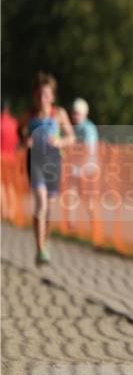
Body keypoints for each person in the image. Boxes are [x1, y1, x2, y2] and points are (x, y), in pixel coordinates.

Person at [21, 72, 75, 265]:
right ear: (35, 96)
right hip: (35, 162)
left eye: (46, 95)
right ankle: (40, 248)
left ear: (52, 96)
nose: (43, 98)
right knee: (41, 203)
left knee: (50, 208)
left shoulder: (59, 114)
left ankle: (45, 241)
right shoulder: (30, 115)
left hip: (53, 162)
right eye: (39, 95)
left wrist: (60, 141)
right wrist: (25, 140)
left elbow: (71, 137)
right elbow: (22, 133)